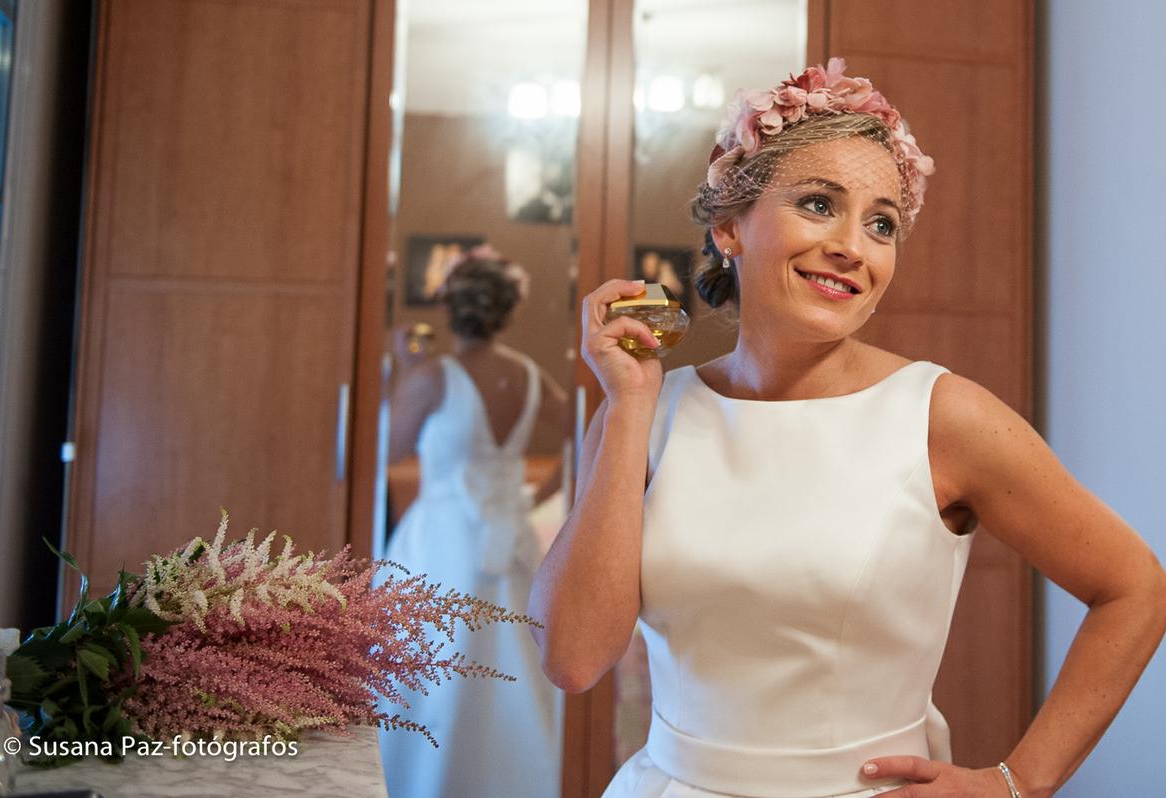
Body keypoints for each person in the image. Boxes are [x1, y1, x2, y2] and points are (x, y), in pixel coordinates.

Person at [529, 58, 1166, 798]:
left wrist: (1018, 782)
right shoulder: (645, 412)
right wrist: (632, 405)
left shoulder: (942, 417)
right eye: (818, 203)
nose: (853, 247)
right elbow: (573, 660)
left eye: (882, 224)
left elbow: (1134, 588)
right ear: (731, 226)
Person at [379, 245, 569, 797]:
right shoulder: (531, 377)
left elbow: (388, 448)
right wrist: (533, 498)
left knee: (435, 669)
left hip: (440, 543)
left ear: (450, 308)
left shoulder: (434, 375)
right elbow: (583, 438)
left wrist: (403, 367)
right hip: (509, 544)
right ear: (506, 311)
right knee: (512, 673)